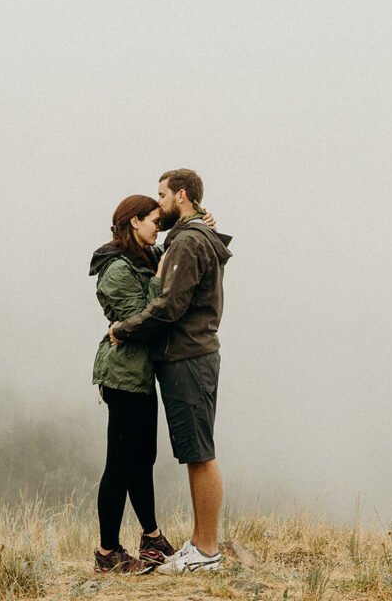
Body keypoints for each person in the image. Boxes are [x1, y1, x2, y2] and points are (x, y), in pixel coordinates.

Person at [109, 168, 232, 574]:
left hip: (187, 357)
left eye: (162, 195)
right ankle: (199, 543)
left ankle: (207, 550)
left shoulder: (187, 241)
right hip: (192, 354)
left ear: (181, 196)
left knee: (199, 453)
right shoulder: (194, 235)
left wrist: (123, 330)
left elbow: (169, 307)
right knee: (195, 452)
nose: (158, 204)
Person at [89, 195, 216, 574]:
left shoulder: (143, 255)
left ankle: (151, 538)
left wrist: (200, 221)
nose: (158, 227)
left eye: (161, 221)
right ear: (134, 222)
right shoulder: (116, 269)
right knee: (119, 465)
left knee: (142, 461)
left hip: (140, 378)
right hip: (123, 378)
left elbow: (177, 247)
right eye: (153, 221)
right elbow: (138, 319)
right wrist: (161, 279)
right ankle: (108, 552)